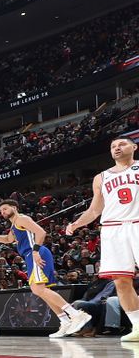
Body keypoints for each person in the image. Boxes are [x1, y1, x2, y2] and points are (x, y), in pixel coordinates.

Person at [66, 137, 139, 342]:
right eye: (113, 146)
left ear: (134, 147)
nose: (117, 148)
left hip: (138, 222)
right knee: (122, 281)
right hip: (113, 229)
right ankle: (138, 326)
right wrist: (76, 224)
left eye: (122, 144)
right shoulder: (101, 177)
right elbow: (95, 209)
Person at [0, 199, 90, 338]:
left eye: (5, 208)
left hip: (35, 253)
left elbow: (41, 232)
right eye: (1, 210)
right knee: (42, 291)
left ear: (14, 207)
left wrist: (35, 252)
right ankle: (65, 321)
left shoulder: (21, 219)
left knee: (37, 289)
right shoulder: (14, 225)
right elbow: (8, 239)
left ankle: (76, 314)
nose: (2, 212)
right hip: (31, 254)